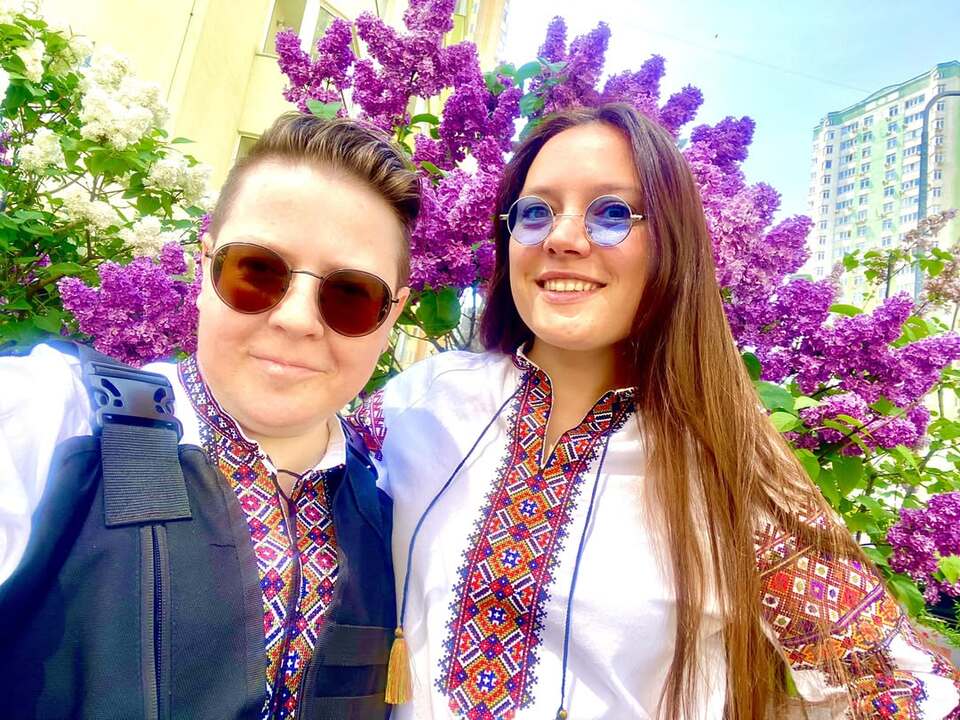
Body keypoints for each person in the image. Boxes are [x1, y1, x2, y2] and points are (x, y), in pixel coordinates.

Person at [350, 103, 960, 719]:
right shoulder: (418, 404)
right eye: (535, 212)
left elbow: (902, 686)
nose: (562, 238)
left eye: (612, 213)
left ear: (672, 243)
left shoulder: (729, 470)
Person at [0, 113, 418, 719]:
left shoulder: (389, 507)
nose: (296, 319)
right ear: (205, 268)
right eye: (258, 270)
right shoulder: (56, 419)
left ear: (392, 315)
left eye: (351, 293)